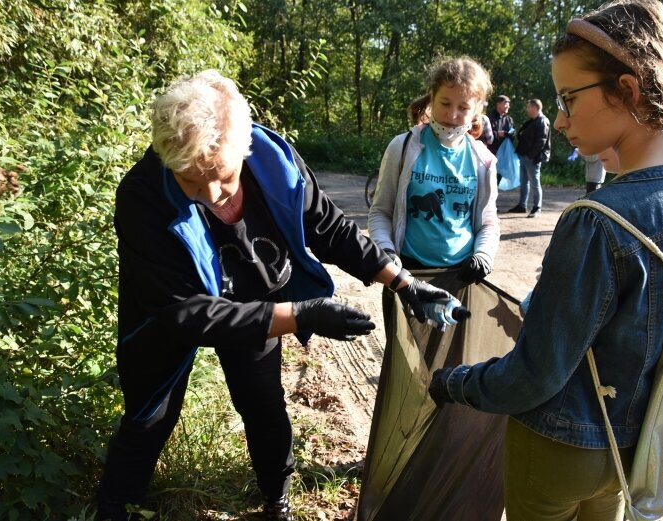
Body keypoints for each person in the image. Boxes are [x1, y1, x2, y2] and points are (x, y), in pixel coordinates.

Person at [95, 70, 452, 521]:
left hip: (255, 299)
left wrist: (402, 281)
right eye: (190, 181)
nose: (209, 195)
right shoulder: (141, 196)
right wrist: (303, 315)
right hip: (169, 311)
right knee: (150, 414)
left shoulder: (273, 162)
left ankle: (275, 500)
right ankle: (114, 506)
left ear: (242, 149)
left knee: (262, 403)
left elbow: (327, 226)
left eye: (222, 176)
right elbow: (184, 314)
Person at [428, 1, 663, 519]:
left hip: (557, 447)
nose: (562, 119)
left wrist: (455, 382)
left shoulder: (597, 220)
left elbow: (534, 376)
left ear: (629, 91)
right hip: (632, 450)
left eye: (569, 98)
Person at [368, 56, 500, 284]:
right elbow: (380, 211)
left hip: (461, 274)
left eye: (463, 107)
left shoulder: (484, 160)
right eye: (445, 103)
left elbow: (488, 222)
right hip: (406, 272)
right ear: (432, 98)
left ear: (477, 108)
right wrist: (386, 252)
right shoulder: (402, 147)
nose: (452, 115)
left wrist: (483, 256)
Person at [507, 98, 551, 216]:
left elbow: (541, 141)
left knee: (535, 183)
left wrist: (530, 156)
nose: (527, 110)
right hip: (524, 156)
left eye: (529, 107)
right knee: (524, 182)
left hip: (532, 158)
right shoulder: (533, 121)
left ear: (535, 108)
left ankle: (537, 208)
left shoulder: (542, 121)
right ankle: (522, 205)